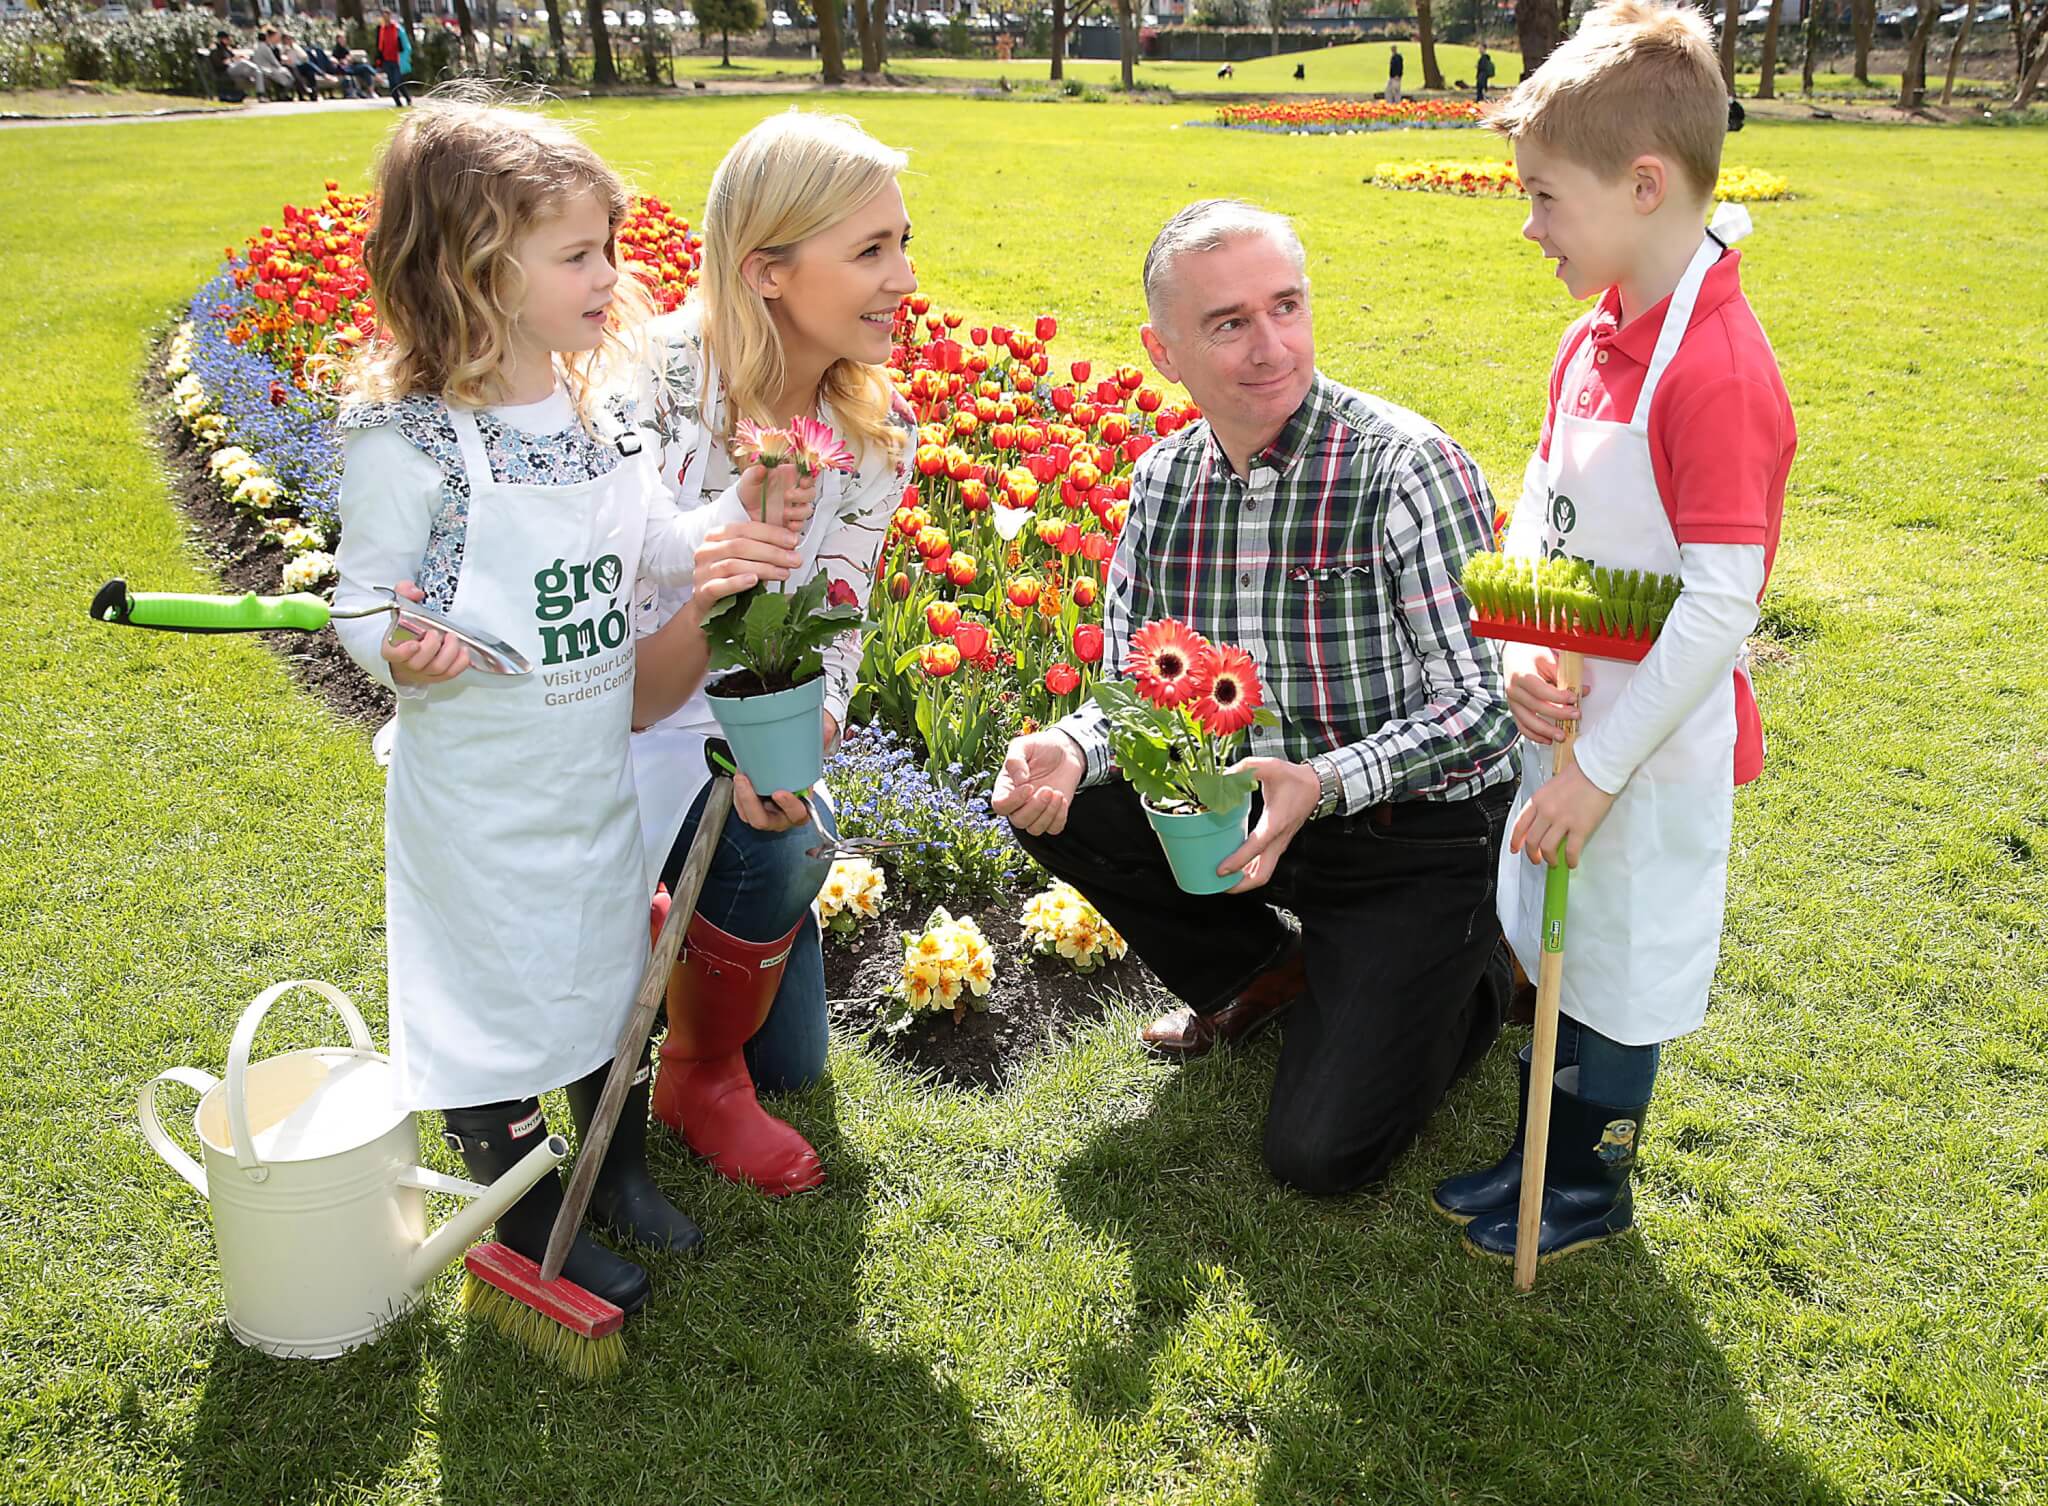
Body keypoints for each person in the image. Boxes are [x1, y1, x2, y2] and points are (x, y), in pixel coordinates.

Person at [991, 199, 1519, 1198]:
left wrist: (1317, 783)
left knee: (1320, 1158)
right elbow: (1141, 697)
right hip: (1244, 814)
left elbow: (1480, 710)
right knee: (1058, 798)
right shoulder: (1163, 483)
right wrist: (1067, 744)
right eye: (1228, 323)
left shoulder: (1403, 468)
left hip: (1409, 833)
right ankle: (1263, 974)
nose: (1270, 346)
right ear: (1163, 351)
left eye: (1285, 305)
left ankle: (1481, 971)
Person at [331, 102, 748, 1315]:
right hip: (478, 798)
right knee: (494, 994)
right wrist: (400, 650)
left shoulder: (587, 417)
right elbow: (360, 603)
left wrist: (736, 522)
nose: (607, 275)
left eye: (606, 246)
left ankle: (612, 1170)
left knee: (605, 976)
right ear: (472, 267)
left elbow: (655, 552)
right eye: (574, 255)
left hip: (584, 778)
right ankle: (516, 1204)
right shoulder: (405, 443)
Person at [1431, 0, 1795, 1262]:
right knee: (1560, 934)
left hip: (1650, 740)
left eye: (1541, 197)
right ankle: (1543, 1141)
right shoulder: (1588, 336)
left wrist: (1597, 766)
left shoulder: (1718, 371)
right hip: (1568, 706)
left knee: (1624, 958)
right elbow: (1538, 504)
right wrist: (1519, 642)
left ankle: (1586, 1177)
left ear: (1643, 185)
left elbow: (1715, 604)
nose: (1525, 225)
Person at [621, 111, 913, 1198]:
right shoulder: (647, 388)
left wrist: (797, 747)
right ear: (767, 271)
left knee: (788, 1061)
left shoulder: (875, 428)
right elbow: (609, 660)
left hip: (742, 727)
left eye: (902, 243)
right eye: (871, 251)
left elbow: (839, 616)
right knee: (735, 1026)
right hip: (608, 718)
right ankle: (684, 1041)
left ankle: (698, 1043)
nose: (905, 277)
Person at [374, 11, 413, 107]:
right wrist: (379, 59)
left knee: (397, 81)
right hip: (386, 60)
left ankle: (407, 98)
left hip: (397, 60)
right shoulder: (381, 30)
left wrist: (405, 57)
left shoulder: (397, 29)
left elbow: (405, 45)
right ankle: (398, 103)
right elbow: (379, 45)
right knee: (392, 83)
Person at [248, 28, 300, 99]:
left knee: (285, 72)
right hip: (266, 69)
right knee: (287, 75)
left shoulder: (257, 46)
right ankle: (283, 95)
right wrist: (281, 67)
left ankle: (281, 94)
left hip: (260, 68)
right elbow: (273, 61)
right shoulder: (265, 48)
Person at [208, 30, 260, 102]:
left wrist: (238, 57)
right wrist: (230, 60)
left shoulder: (226, 48)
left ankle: (258, 82)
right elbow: (219, 64)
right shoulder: (216, 49)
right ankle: (258, 70)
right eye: (227, 39)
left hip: (232, 69)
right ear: (222, 39)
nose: (229, 40)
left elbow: (233, 57)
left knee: (246, 67)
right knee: (243, 63)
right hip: (224, 71)